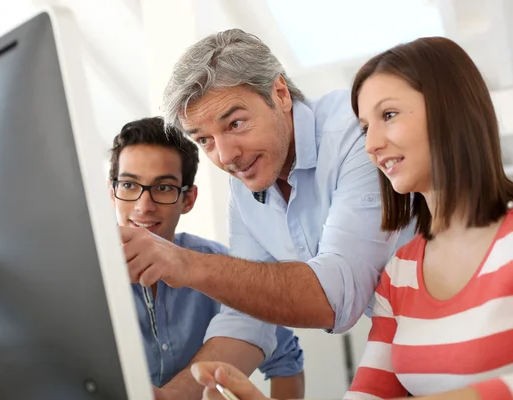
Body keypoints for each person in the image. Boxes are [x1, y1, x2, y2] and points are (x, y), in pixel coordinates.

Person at [190, 36, 513, 399]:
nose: (370, 145)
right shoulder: (400, 274)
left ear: (450, 110)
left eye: (388, 115)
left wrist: (188, 266)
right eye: (364, 128)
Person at [119, 28, 415, 399]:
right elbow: (245, 320)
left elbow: (337, 296)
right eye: (205, 140)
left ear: (279, 94)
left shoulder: (355, 132)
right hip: (399, 349)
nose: (225, 156)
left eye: (235, 123)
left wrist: (187, 265)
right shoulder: (246, 186)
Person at [109, 116, 305, 399]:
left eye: (163, 188)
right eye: (129, 185)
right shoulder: (80, 281)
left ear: (188, 199)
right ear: (111, 193)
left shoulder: (223, 272)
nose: (143, 206)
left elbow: (287, 358)